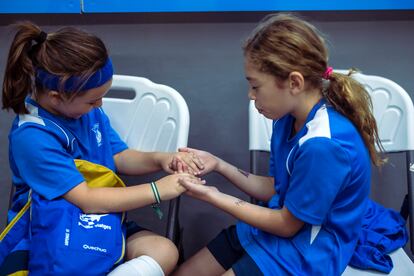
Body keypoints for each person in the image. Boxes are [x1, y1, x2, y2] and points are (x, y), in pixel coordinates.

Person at [173, 13, 384, 276]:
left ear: (294, 83)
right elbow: (278, 187)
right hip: (274, 228)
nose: (250, 96)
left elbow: (287, 225)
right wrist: (219, 165)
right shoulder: (287, 119)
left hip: (309, 253)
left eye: (255, 86)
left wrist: (213, 196)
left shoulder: (323, 146)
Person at [0, 22, 203, 275]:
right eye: (93, 99)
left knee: (164, 251)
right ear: (56, 96)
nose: (101, 104)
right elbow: (86, 200)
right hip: (49, 231)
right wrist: (157, 190)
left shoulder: (86, 112)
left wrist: (161, 159)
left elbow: (118, 155)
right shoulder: (33, 135)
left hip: (101, 220)